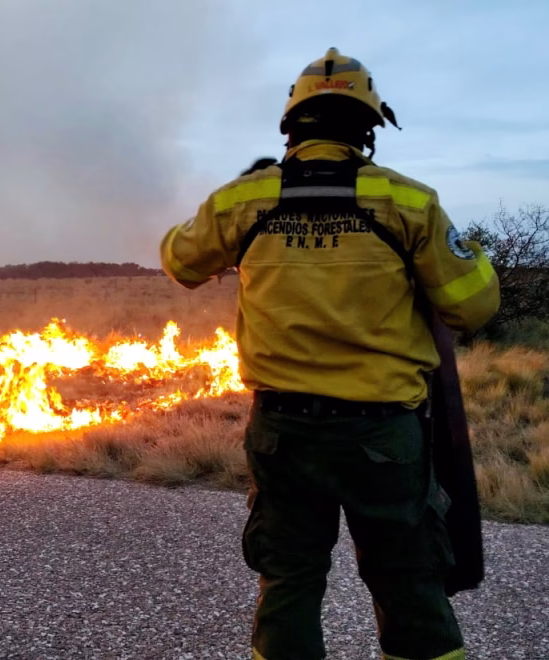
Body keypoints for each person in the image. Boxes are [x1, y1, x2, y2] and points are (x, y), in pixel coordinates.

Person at [160, 47, 500, 660]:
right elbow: (472, 307)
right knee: (409, 582)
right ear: (367, 129)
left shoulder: (243, 200)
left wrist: (242, 195)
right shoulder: (409, 202)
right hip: (384, 435)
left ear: (291, 127)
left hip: (282, 432)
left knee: (289, 579)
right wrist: (469, 251)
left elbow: (180, 261)